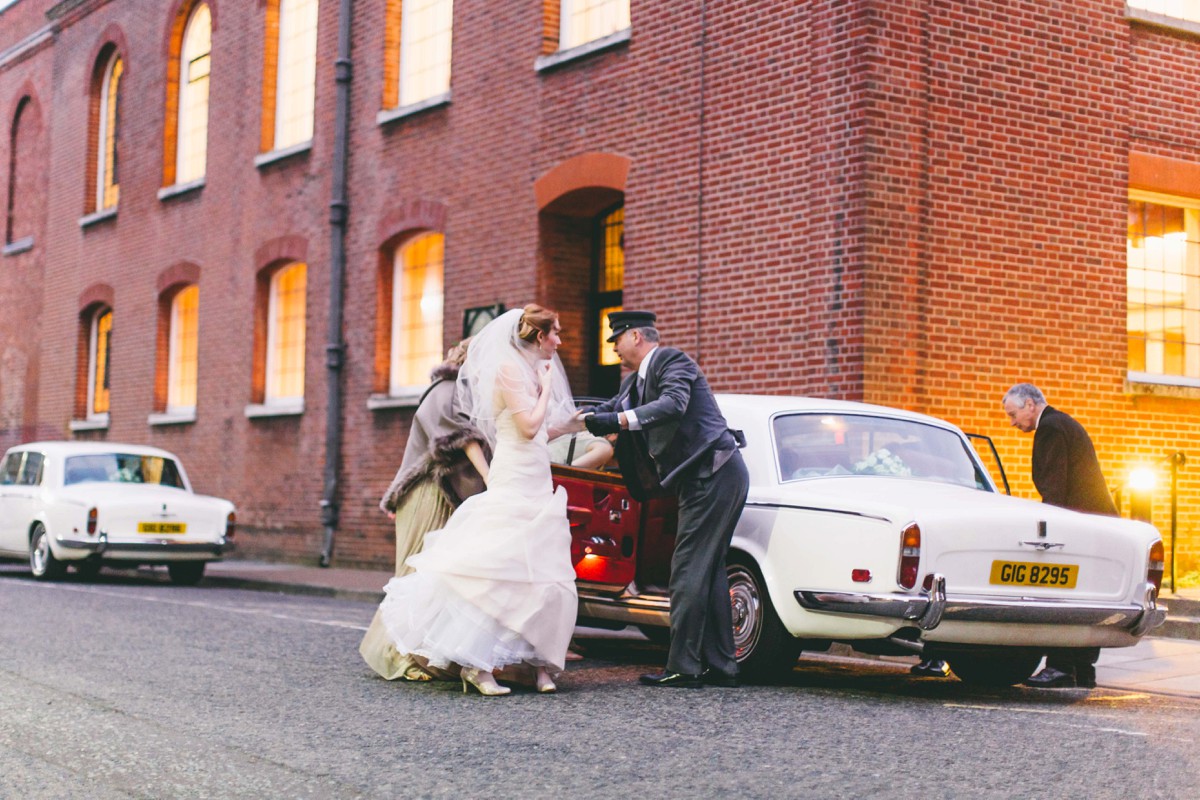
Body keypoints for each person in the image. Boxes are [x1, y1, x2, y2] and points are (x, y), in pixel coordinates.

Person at [376, 304, 581, 695]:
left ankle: (535, 662)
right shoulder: (508, 370)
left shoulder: (529, 370)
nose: (559, 340)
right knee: (498, 563)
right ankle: (477, 666)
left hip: (535, 474)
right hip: (514, 476)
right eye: (555, 332)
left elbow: (537, 432)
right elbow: (525, 425)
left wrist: (567, 426)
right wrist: (548, 388)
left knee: (538, 563)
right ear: (539, 337)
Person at [584, 310, 749, 688]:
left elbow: (673, 404)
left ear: (637, 337)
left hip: (715, 472)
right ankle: (722, 665)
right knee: (707, 570)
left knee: (688, 568)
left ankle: (685, 667)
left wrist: (620, 423)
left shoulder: (672, 361)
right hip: (706, 477)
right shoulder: (634, 382)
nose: (614, 349)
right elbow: (608, 410)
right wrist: (574, 419)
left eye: (617, 341)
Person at [358, 339, 490, 682]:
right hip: (426, 492)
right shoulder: (445, 390)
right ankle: (393, 654)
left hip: (441, 494)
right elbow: (456, 441)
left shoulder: (463, 396)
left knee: (431, 577)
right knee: (412, 573)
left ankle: (419, 654)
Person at [1002, 382, 1118, 690]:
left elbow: (1055, 487)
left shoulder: (1050, 429)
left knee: (1061, 591)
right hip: (1095, 523)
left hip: (1077, 524)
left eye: (1014, 414)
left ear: (1030, 404)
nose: (1013, 423)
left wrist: (1047, 530)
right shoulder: (1063, 423)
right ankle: (1082, 668)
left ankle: (1061, 666)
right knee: (1085, 598)